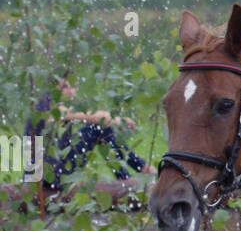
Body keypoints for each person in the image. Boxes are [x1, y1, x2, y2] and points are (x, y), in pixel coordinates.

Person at [26, 77, 156, 193]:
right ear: (54, 88)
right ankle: (133, 176)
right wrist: (119, 120)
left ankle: (129, 178)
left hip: (52, 170)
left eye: (73, 86)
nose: (71, 91)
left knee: (102, 131)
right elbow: (92, 117)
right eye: (65, 87)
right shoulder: (47, 105)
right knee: (99, 128)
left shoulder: (55, 104)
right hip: (46, 176)